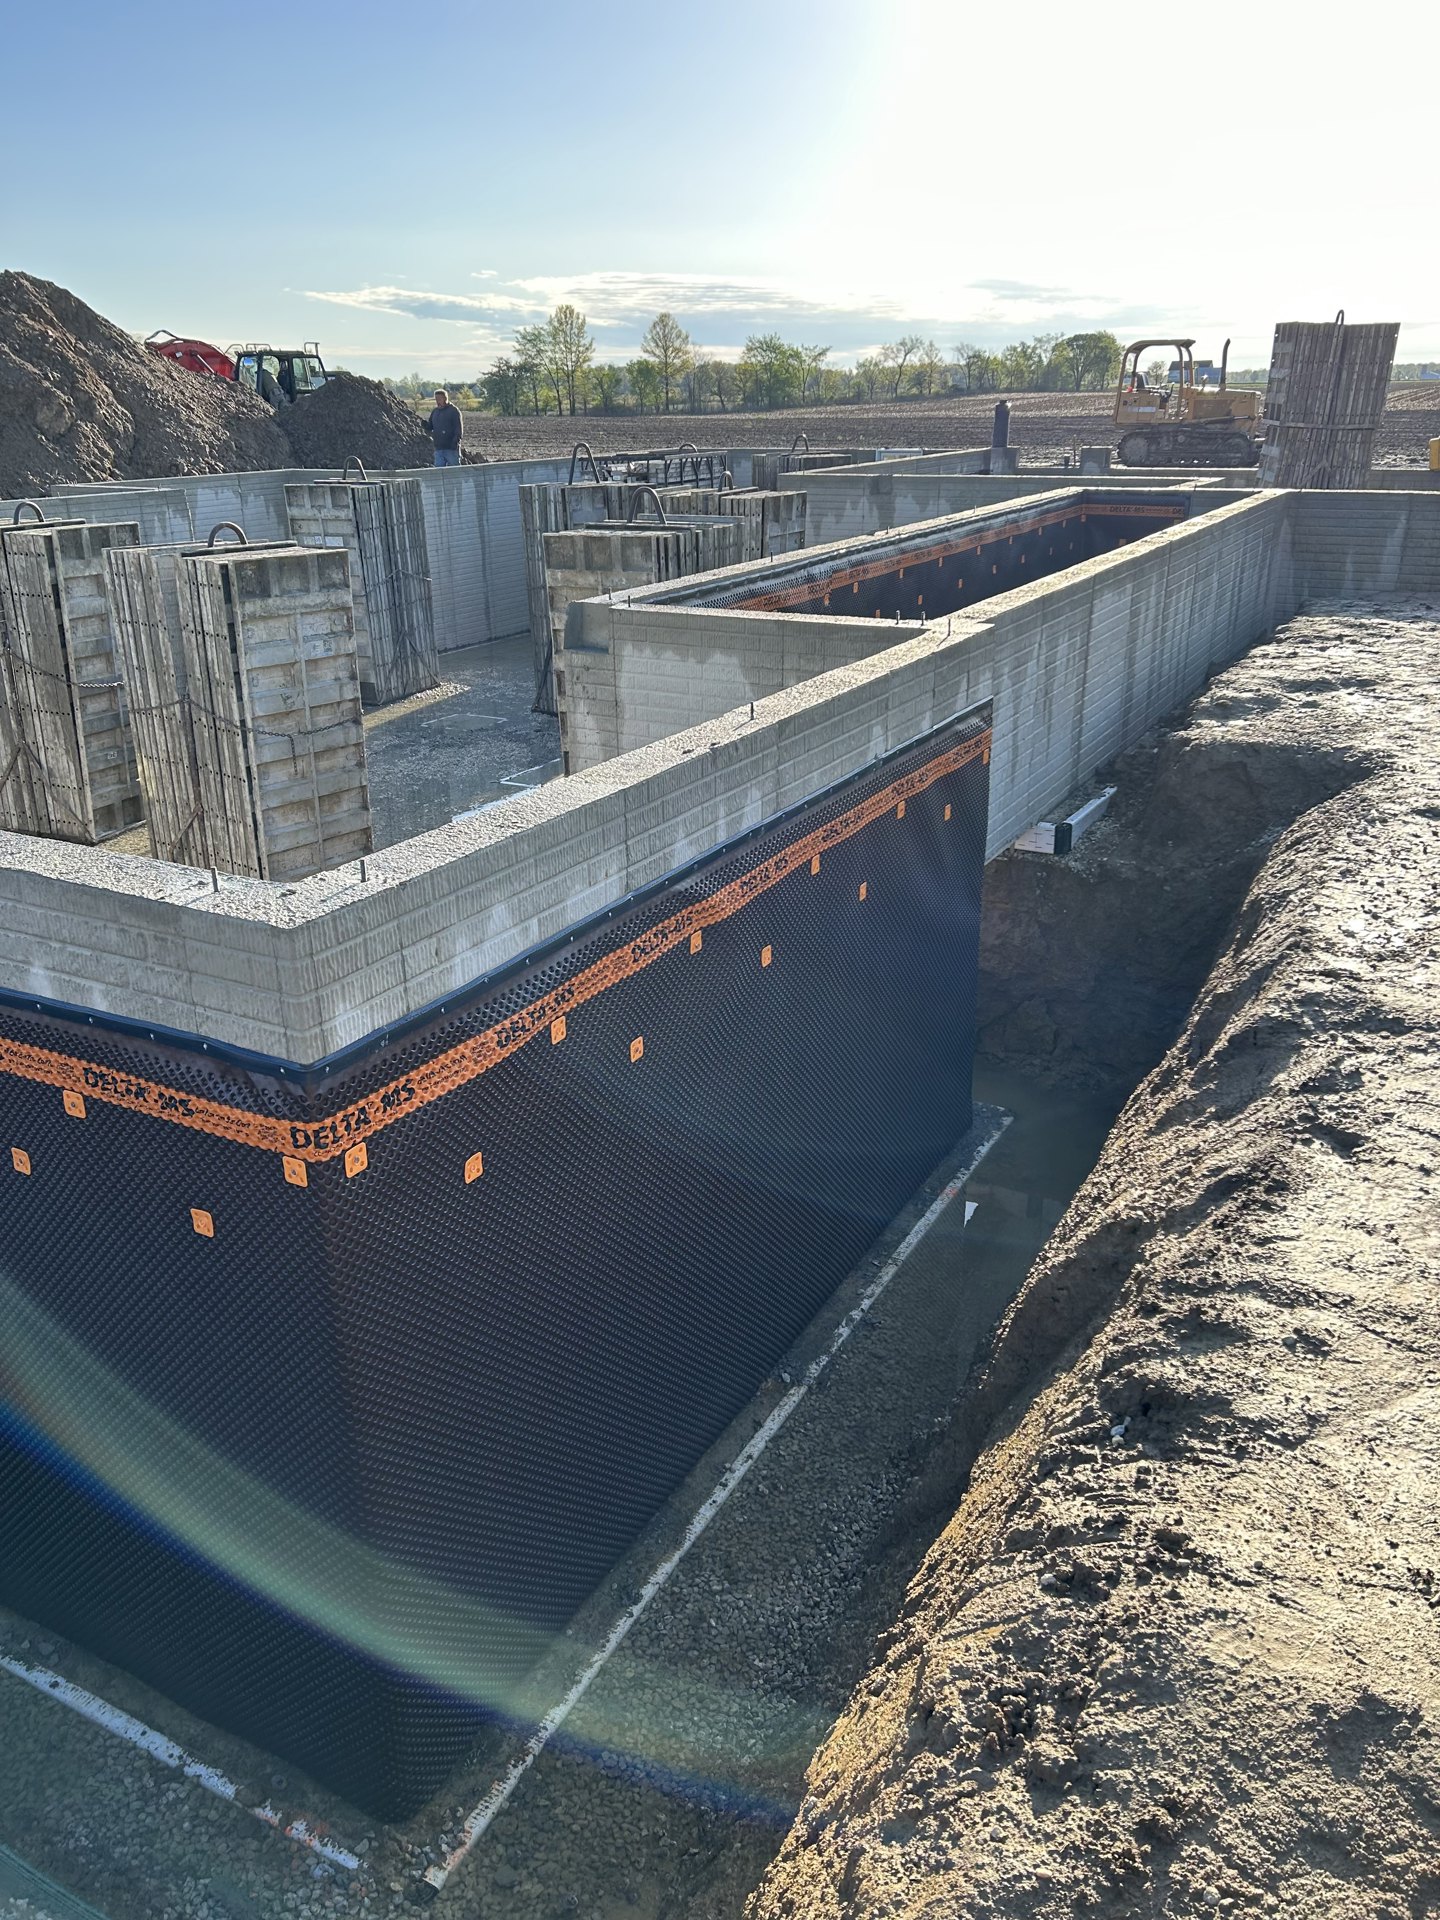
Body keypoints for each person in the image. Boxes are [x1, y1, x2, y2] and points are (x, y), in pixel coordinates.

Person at [424, 389, 463, 467]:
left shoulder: (454, 411)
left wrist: (455, 442)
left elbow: (458, 429)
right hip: (439, 448)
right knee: (439, 472)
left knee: (454, 472)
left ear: (445, 398)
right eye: (436, 399)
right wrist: (425, 425)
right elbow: (430, 426)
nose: (437, 401)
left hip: (451, 448)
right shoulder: (435, 412)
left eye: (439, 399)